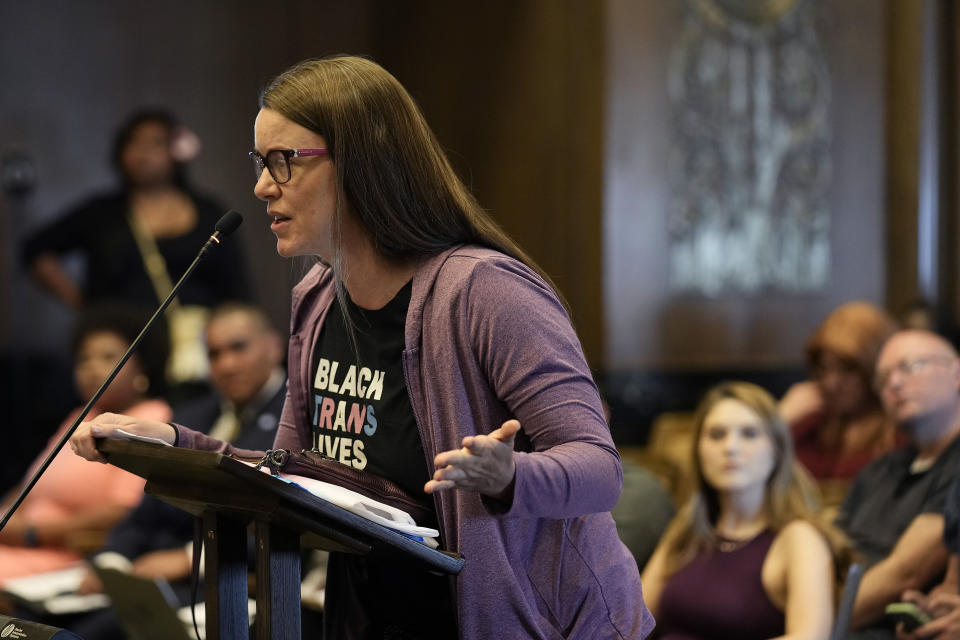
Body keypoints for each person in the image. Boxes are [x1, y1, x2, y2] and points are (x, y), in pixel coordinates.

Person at [69, 55, 652, 639]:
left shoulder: (485, 291)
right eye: (260, 161)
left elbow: (602, 470)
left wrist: (509, 476)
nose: (261, 186)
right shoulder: (317, 298)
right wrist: (174, 444)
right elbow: (291, 479)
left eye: (283, 162)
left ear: (361, 163)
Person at [63, 302, 286, 640]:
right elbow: (147, 510)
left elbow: (287, 521)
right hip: (147, 573)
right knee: (42, 619)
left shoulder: (295, 419)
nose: (226, 364)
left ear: (273, 346)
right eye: (213, 354)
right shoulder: (192, 414)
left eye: (238, 348)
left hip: (225, 576)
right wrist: (112, 563)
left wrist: (187, 560)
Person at [22, 109, 251, 391]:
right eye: (134, 143)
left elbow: (235, 285)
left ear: (175, 151)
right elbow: (35, 250)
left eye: (155, 143)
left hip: (195, 353)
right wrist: (84, 305)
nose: (143, 153)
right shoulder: (102, 213)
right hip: (121, 351)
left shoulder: (207, 211)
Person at [641, 381, 841, 640]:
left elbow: (810, 636)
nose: (730, 447)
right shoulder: (689, 525)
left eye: (749, 434)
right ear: (698, 451)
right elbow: (633, 619)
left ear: (777, 450)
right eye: (716, 435)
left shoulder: (799, 537)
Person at [0, 305, 171, 582]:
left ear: (143, 366)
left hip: (68, 554)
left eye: (107, 357)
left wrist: (32, 534)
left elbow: (123, 511)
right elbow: (31, 483)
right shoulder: (80, 416)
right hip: (18, 543)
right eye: (83, 359)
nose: (91, 368)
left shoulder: (151, 418)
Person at [837, 329, 960, 638]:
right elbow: (831, 552)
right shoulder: (878, 470)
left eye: (910, 366)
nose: (894, 383)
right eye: (883, 378)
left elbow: (906, 575)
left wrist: (807, 619)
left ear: (957, 373)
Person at [780, 301, 900, 483]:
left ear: (875, 367)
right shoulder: (812, 421)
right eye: (823, 368)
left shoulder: (901, 431)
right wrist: (782, 417)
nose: (831, 383)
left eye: (848, 369)